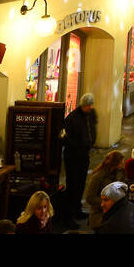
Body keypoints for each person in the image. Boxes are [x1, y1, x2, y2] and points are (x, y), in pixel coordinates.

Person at [61, 92, 96, 225]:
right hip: (73, 156)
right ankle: (69, 216)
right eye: (89, 105)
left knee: (81, 184)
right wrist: (78, 145)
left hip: (83, 155)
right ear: (83, 105)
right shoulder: (72, 118)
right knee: (73, 185)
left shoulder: (88, 116)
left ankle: (77, 209)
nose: (91, 107)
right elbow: (64, 137)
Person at [83, 152, 126, 230]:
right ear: (115, 163)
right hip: (100, 213)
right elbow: (90, 198)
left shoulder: (120, 172)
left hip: (115, 211)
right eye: (121, 162)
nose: (123, 164)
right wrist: (108, 203)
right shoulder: (98, 177)